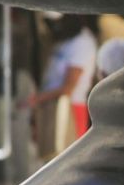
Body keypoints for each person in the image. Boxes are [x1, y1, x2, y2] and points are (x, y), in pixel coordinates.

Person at [22, 13, 98, 147]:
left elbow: (68, 88)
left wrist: (35, 99)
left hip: (69, 111)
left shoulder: (83, 43)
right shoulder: (65, 39)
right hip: (50, 106)